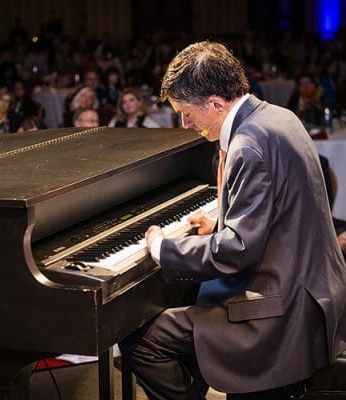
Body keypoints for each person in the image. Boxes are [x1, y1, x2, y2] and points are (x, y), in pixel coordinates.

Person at [119, 41, 346, 399]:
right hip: (311, 291)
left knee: (140, 341)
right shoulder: (278, 117)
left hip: (280, 312)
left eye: (186, 113)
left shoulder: (247, 144)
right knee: (193, 305)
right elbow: (281, 212)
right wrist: (219, 226)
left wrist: (164, 249)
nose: (185, 124)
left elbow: (237, 251)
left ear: (215, 103)